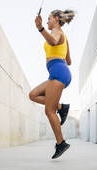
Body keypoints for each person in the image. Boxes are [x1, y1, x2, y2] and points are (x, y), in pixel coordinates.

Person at [29, 9, 75, 159]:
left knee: (49, 111)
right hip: (58, 71)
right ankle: (61, 107)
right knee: (33, 95)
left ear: (56, 19)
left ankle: (61, 143)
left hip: (59, 73)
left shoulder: (58, 33)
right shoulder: (64, 37)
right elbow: (69, 61)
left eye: (49, 19)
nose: (47, 21)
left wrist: (40, 28)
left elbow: (53, 41)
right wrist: (59, 54)